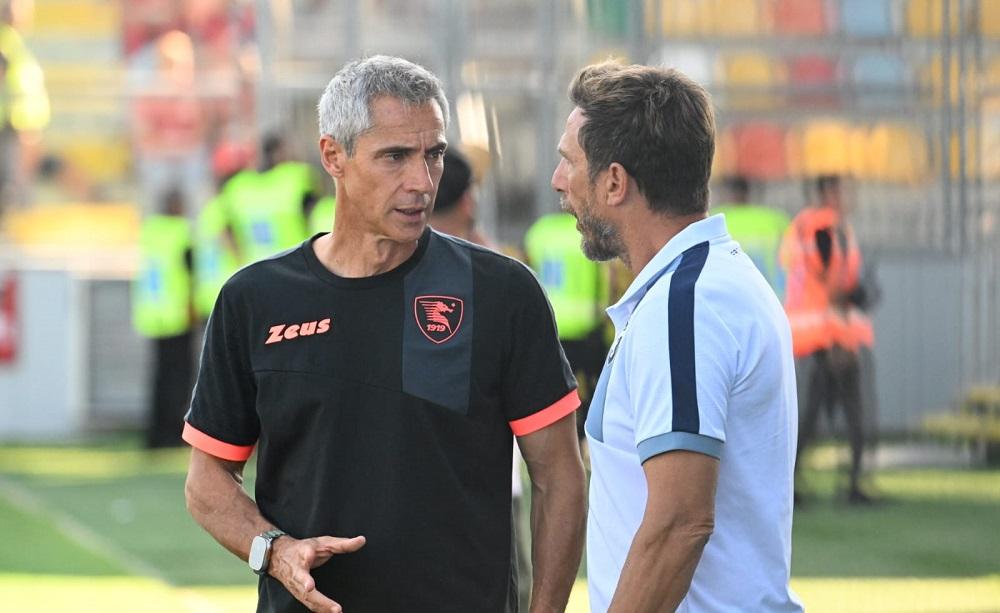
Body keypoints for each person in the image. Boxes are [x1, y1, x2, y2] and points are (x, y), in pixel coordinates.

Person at [183, 55, 586, 613]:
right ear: (334, 156)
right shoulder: (254, 298)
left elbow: (559, 474)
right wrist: (275, 552)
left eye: (434, 154)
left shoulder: (501, 291)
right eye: (395, 156)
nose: (422, 182)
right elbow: (206, 481)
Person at [552, 62, 802, 612]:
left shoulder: (685, 305)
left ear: (615, 181)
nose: (558, 180)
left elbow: (679, 523)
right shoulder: (701, 285)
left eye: (570, 161)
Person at [781, 174, 875, 504]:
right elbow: (831, 283)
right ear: (828, 192)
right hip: (823, 335)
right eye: (843, 190)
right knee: (832, 412)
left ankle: (798, 484)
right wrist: (855, 295)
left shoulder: (815, 227)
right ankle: (850, 483)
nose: (848, 196)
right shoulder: (823, 228)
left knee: (812, 415)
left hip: (823, 333)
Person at [523, 210, 609, 442]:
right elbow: (605, 277)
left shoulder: (539, 232)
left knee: (557, 399)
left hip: (551, 328)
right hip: (585, 329)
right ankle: (587, 442)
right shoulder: (586, 232)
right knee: (592, 396)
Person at [132, 187, 194, 448]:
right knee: (178, 378)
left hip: (152, 313)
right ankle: (172, 432)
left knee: (158, 377)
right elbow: (189, 271)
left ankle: (154, 433)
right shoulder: (180, 232)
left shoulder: (149, 231)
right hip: (176, 313)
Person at [222, 133, 320, 265]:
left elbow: (225, 232)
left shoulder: (236, 188)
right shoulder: (296, 178)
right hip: (295, 265)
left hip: (254, 269)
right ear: (279, 154)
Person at [711, 175, 790, 297]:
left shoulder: (717, 218)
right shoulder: (773, 218)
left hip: (732, 293)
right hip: (771, 294)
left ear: (730, 194)